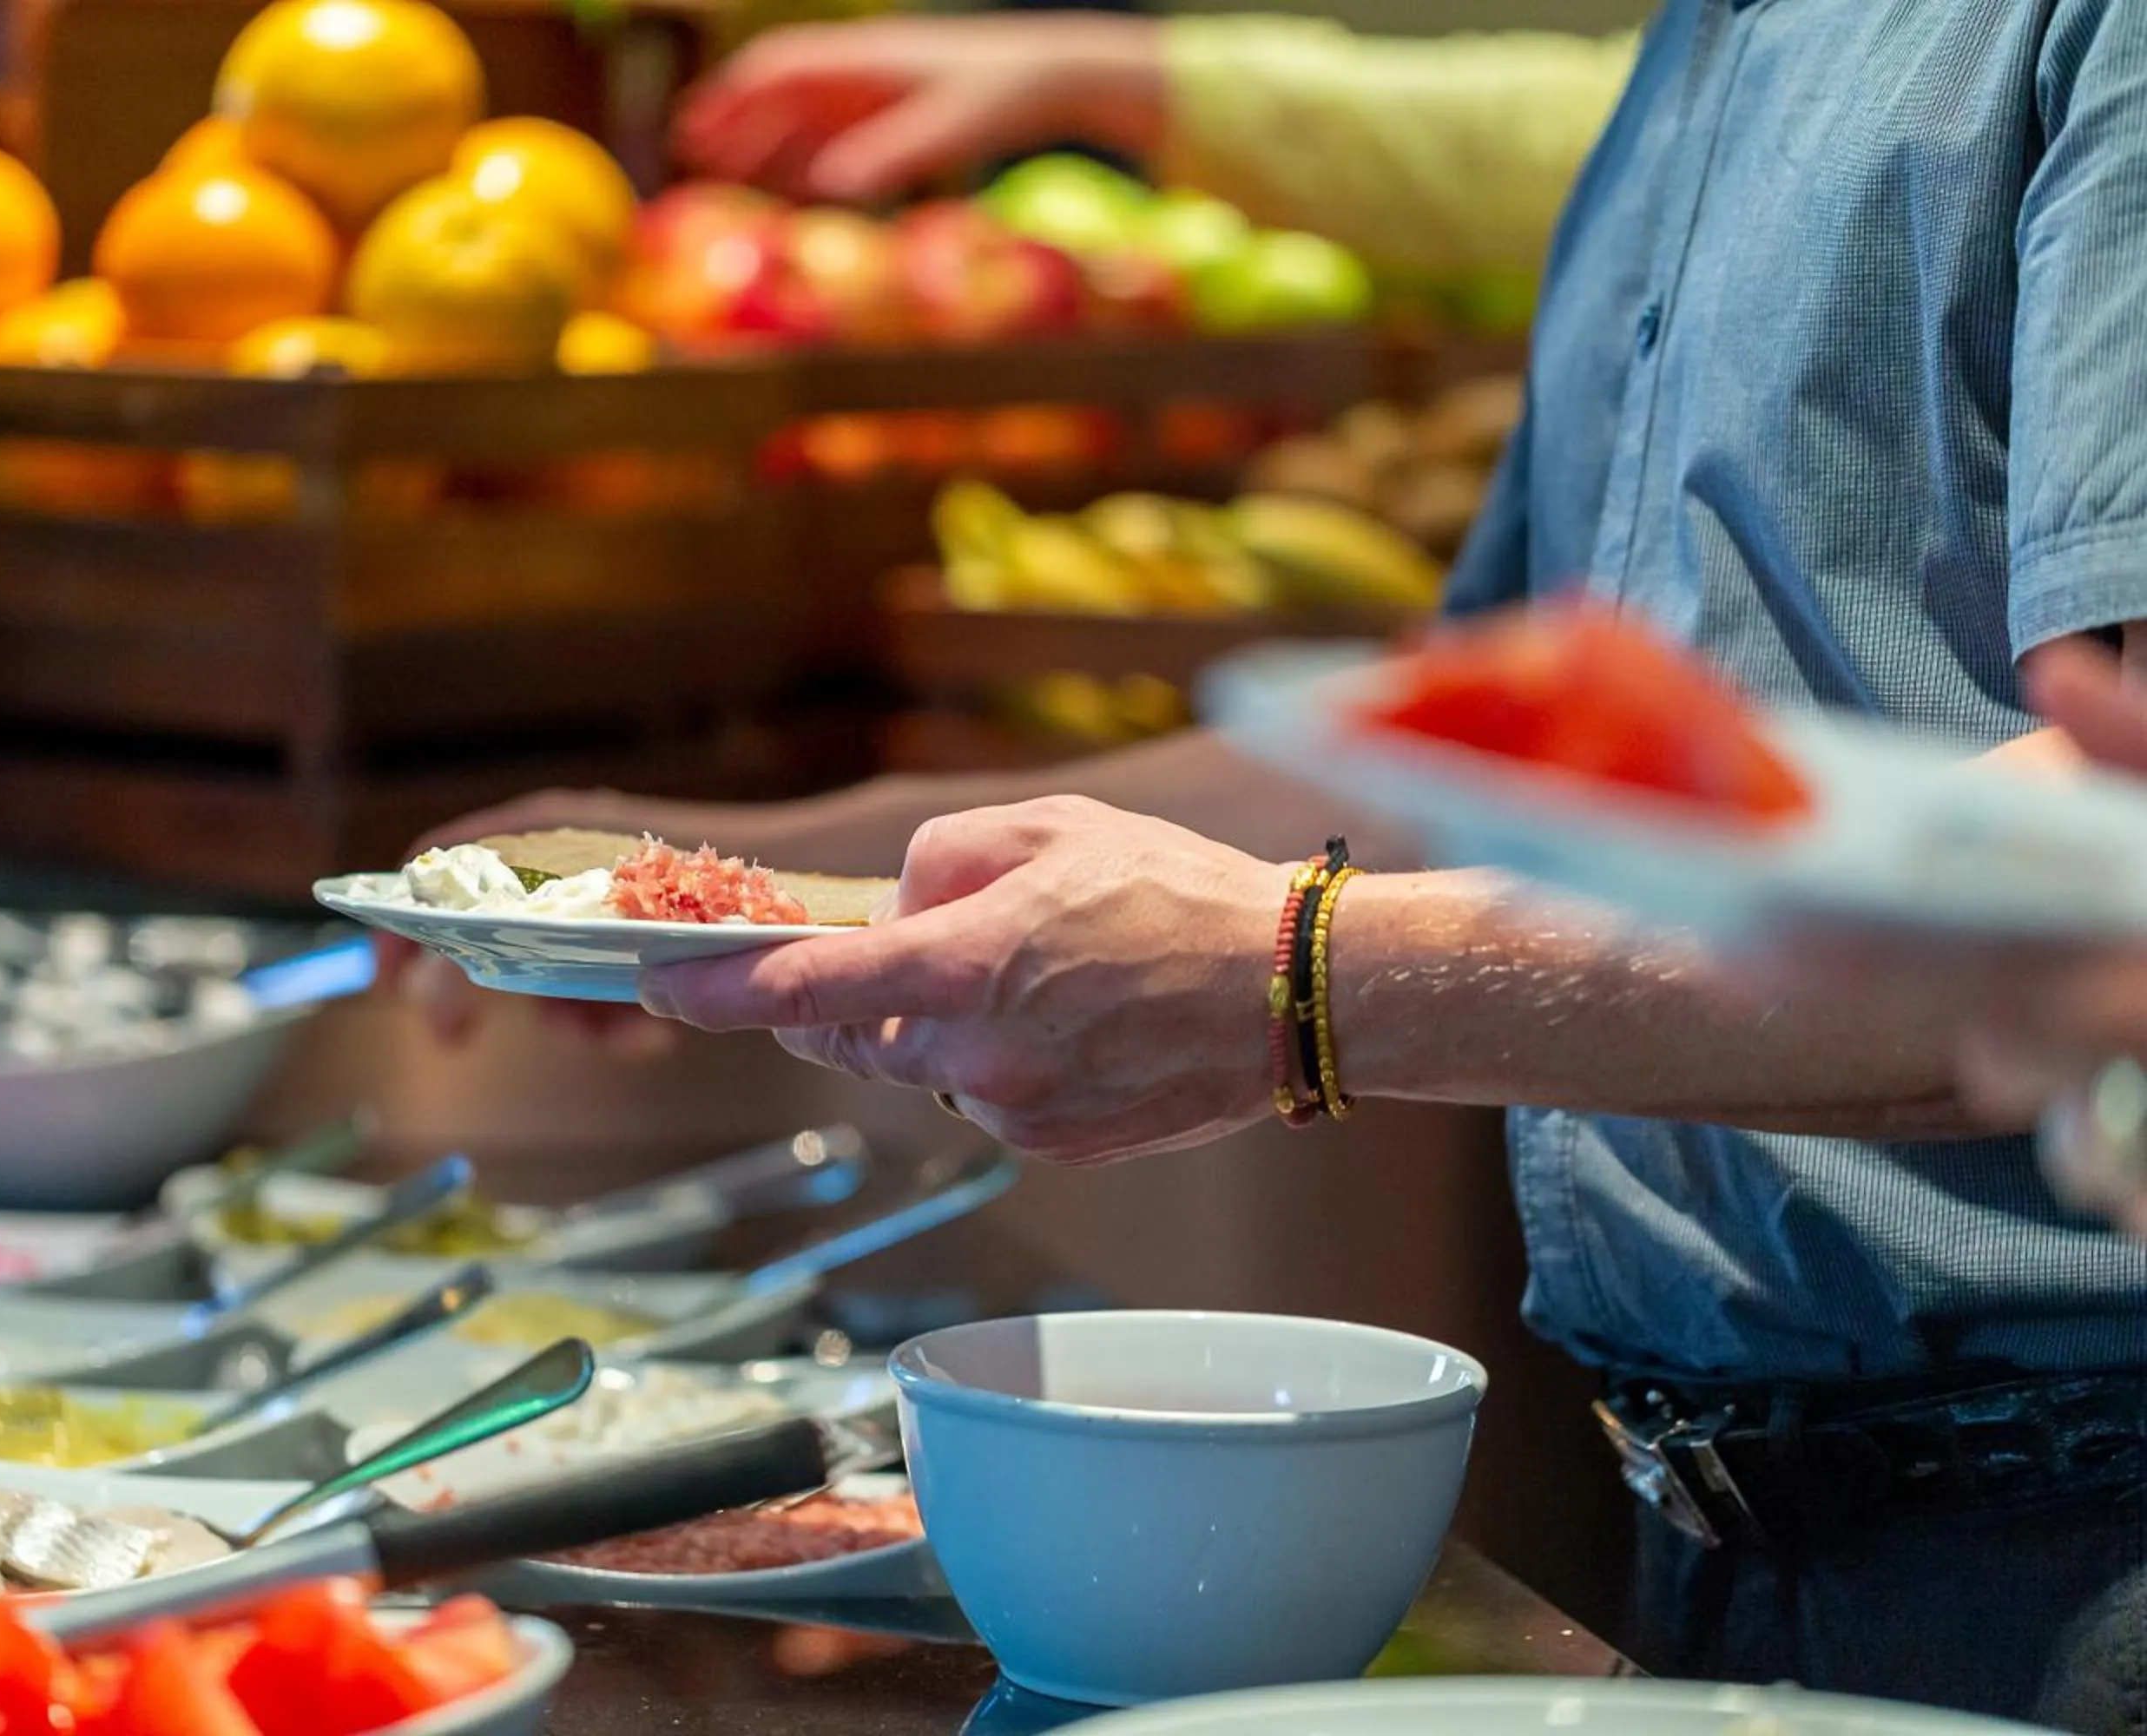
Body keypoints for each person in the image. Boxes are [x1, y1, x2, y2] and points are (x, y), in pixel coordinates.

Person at [409, 4, 2147, 1719]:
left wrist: (1295, 979)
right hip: (1732, 1545)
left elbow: (2112, 838)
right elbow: (1480, 767)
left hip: (2079, 1552)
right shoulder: (1703, 62)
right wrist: (746, 873)